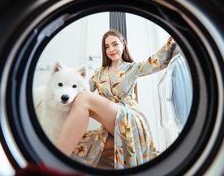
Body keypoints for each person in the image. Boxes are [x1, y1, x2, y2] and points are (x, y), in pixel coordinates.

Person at [56, 29, 178, 169]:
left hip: (129, 118)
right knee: (79, 144)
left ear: (123, 45)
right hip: (111, 125)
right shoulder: (99, 74)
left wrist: (175, 35)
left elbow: (157, 61)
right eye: (107, 46)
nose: (111, 49)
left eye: (115, 44)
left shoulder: (133, 68)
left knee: (84, 98)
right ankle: (59, 161)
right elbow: (78, 93)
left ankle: (54, 161)